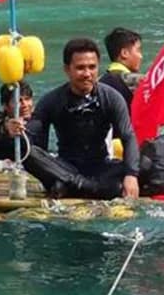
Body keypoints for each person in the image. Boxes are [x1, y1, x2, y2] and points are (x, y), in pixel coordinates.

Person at [23, 38, 141, 199]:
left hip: (100, 167)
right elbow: (32, 139)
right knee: (28, 152)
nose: (87, 74)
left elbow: (128, 137)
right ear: (67, 69)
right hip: (65, 167)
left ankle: (74, 187)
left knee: (146, 163)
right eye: (80, 68)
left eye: (92, 67)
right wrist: (13, 132)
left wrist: (131, 175)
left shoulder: (111, 98)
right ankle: (84, 186)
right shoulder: (51, 100)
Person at [0, 80, 34, 166]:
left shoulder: (39, 118)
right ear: (5, 106)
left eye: (27, 99)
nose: (25, 105)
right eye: (18, 101)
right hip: (5, 165)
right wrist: (5, 129)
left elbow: (31, 145)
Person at [99, 27, 143, 107]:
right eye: (138, 50)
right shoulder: (135, 81)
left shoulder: (99, 80)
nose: (141, 56)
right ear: (124, 53)